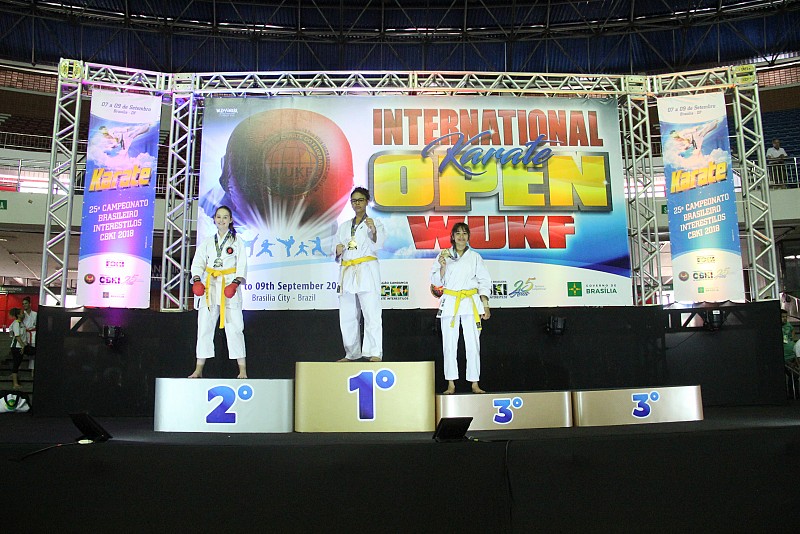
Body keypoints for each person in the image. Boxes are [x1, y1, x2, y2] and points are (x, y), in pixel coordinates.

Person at [430, 222, 492, 394]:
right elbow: (435, 281)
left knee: (473, 345)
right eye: (458, 233)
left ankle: (475, 383)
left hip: (471, 303)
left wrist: (485, 305)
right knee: (449, 345)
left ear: (468, 236)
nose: (461, 236)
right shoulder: (444, 255)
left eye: (464, 233)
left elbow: (484, 281)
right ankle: (451, 383)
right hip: (451, 302)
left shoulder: (475, 257)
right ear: (452, 236)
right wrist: (442, 267)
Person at [189, 205, 248, 379]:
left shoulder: (237, 241)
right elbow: (198, 263)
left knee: (235, 328)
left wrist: (235, 283)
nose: (221, 220)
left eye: (225, 217)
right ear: (214, 219)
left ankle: (242, 370)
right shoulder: (208, 242)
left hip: (229, 285)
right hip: (210, 287)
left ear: (230, 220)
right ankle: (198, 369)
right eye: (219, 217)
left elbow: (242, 264)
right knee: (204, 327)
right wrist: (197, 280)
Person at [333, 187, 385, 362]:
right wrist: (337, 250)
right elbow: (335, 248)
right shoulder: (344, 226)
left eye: (360, 200)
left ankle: (374, 352)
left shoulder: (374, 222)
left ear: (367, 201)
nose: (357, 204)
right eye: (354, 201)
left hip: (367, 270)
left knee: (371, 313)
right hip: (348, 271)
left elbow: (379, 244)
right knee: (347, 315)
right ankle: (351, 353)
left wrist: (373, 231)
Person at [7, 307, 26, 390]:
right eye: (22, 313)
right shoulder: (16, 323)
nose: (23, 314)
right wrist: (22, 346)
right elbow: (17, 336)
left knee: (18, 363)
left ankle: (13, 375)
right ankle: (15, 384)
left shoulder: (21, 323)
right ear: (18, 315)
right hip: (16, 347)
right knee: (16, 364)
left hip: (20, 346)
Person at [21, 296, 37, 380]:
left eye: (26, 303)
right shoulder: (22, 314)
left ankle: (33, 370)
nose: (24, 305)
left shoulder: (35, 314)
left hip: (33, 334)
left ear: (30, 304)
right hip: (25, 334)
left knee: (33, 353)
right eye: (23, 304)